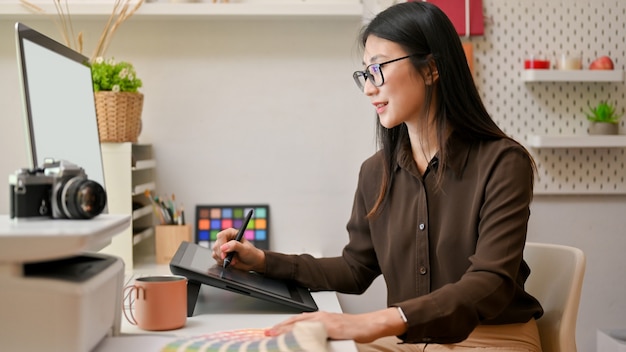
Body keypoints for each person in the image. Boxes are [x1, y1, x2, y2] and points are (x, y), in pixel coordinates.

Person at [212, 2, 543, 351]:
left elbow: (490, 282)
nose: (370, 88)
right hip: (410, 340)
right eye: (366, 74)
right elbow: (355, 268)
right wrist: (263, 261)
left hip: (490, 338)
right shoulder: (376, 172)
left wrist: (372, 322)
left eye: (378, 68)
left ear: (431, 69)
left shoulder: (503, 163)